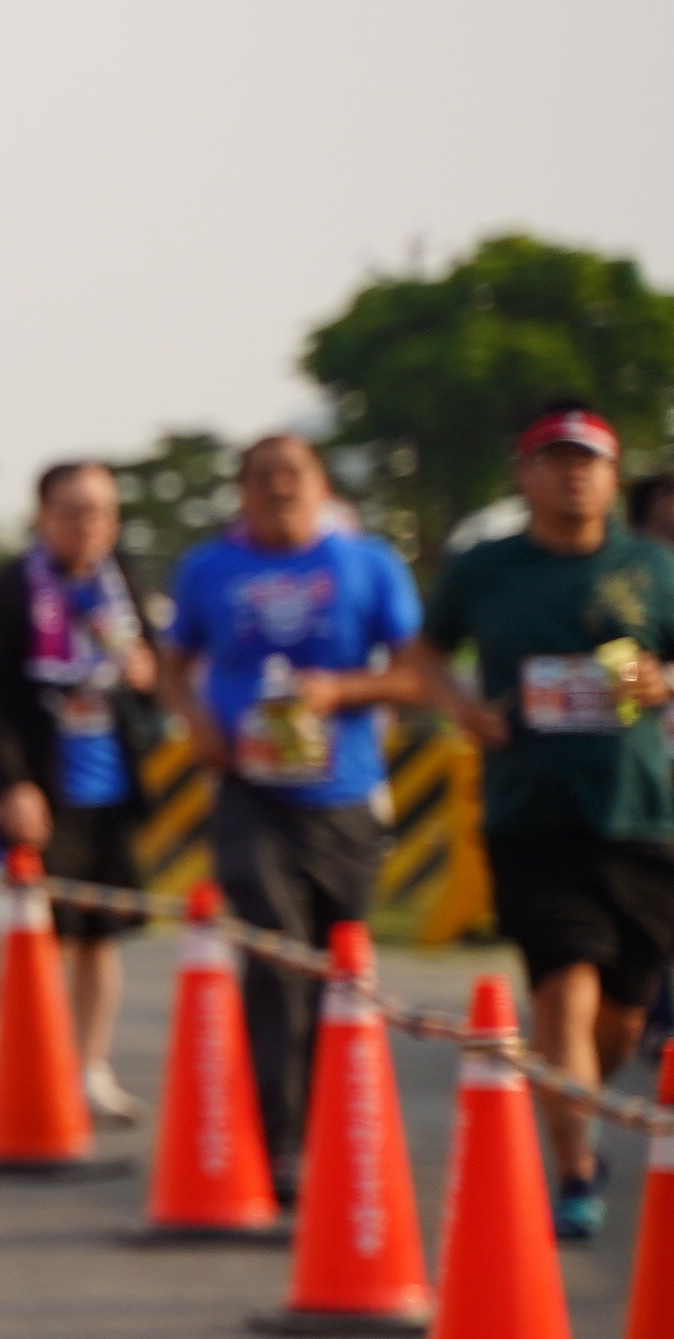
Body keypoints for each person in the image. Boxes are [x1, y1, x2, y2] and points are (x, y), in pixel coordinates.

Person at [405, 397, 674, 1241]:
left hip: (637, 814)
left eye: (589, 462)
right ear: (525, 476)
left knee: (622, 1015)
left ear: (612, 477)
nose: (574, 476)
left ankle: (577, 1103)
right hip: (529, 813)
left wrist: (662, 681)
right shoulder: (485, 568)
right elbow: (423, 652)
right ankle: (576, 1172)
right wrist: (461, 706)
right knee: (564, 986)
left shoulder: (653, 567)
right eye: (556, 462)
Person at [163, 435, 421, 1187]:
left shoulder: (368, 563)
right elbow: (172, 666)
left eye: (294, 476)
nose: (280, 489)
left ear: (321, 485)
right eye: (264, 477)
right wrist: (196, 722)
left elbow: (416, 675)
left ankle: (338, 1131)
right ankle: (280, 1142)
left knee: (339, 965)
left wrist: (339, 691)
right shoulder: (209, 568)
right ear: (242, 491)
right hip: (251, 795)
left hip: (345, 795)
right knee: (276, 958)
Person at [0, 461, 163, 1121]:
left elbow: (156, 675)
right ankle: (28, 1065)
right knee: (42, 937)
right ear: (43, 516)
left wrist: (147, 675)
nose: (89, 526)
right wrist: (13, 784)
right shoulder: (11, 589)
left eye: (102, 512)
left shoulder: (122, 584)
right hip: (44, 785)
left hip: (110, 782)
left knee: (101, 936)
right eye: (74, 512)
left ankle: (89, 1067)